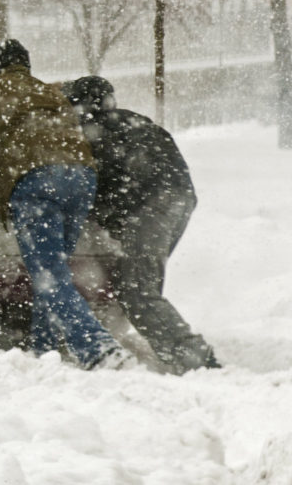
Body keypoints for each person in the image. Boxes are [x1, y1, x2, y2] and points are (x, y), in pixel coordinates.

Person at [0, 39, 131, 369]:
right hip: (81, 178)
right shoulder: (52, 92)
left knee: (49, 276)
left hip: (36, 181)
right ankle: (44, 352)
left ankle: (98, 349)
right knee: (55, 273)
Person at [62, 75, 220, 374]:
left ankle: (194, 359)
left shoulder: (98, 134)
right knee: (139, 279)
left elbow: (103, 188)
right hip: (180, 199)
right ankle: (174, 346)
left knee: (135, 289)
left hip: (153, 205)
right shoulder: (130, 121)